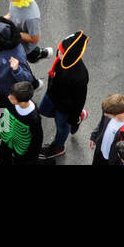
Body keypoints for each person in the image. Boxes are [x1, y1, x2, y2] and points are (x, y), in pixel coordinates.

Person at [35, 30, 89, 161]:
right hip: (53, 95)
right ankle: (78, 117)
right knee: (43, 111)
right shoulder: (62, 61)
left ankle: (58, 146)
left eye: (61, 51)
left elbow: (80, 100)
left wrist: (72, 118)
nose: (58, 52)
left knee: (62, 126)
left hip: (65, 107)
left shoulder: (80, 76)